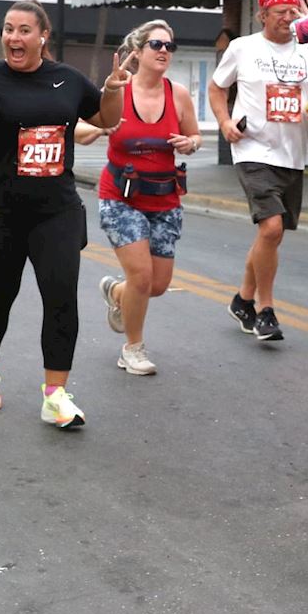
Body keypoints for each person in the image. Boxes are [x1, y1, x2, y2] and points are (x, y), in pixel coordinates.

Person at [0, 0, 125, 428]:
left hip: (54, 208)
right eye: (8, 29)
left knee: (61, 295)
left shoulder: (68, 80)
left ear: (43, 36)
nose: (14, 38)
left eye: (24, 30)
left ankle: (55, 394)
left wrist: (113, 88)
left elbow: (105, 117)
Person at [207, 0, 308, 343]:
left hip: (292, 154)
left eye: (293, 13)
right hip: (252, 149)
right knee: (271, 228)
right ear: (263, 15)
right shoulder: (243, 48)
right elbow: (216, 87)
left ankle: (242, 299)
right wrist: (225, 121)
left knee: (269, 235)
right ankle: (266, 309)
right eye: (281, 13)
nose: (288, 19)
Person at [95, 20, 201, 376]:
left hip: (164, 198)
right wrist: (100, 126)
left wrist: (191, 143)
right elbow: (81, 126)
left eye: (169, 46)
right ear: (137, 51)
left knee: (156, 285)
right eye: (156, 44)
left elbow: (195, 135)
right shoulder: (118, 91)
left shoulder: (179, 94)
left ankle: (118, 294)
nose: (163, 52)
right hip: (120, 197)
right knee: (142, 276)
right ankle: (133, 348)